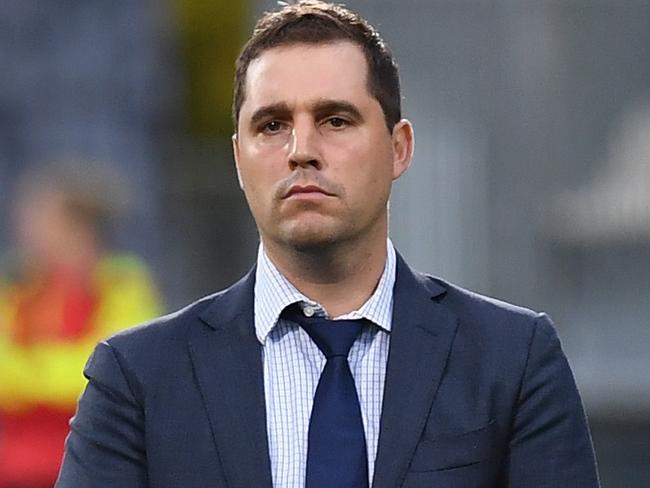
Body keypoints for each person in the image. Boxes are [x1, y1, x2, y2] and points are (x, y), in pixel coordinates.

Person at [56, 2, 600, 487]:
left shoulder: (513, 358)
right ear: (238, 158)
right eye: (271, 125)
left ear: (399, 148)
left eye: (335, 119)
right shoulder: (137, 379)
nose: (301, 150)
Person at [0, 163, 163, 487]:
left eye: (41, 220)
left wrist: (28, 376)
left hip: (88, 464)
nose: (26, 231)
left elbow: (112, 369)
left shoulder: (122, 284)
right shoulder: (19, 287)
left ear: (78, 227)